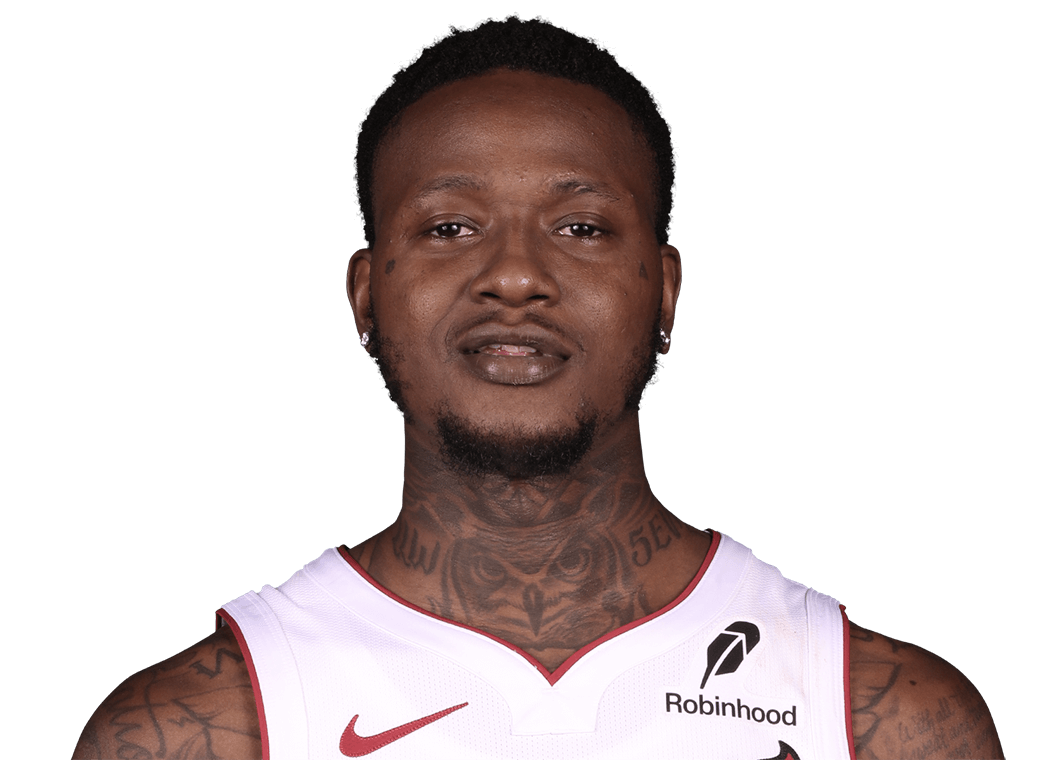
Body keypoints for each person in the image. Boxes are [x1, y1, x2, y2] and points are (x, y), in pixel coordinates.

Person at [73, 16, 1003, 760]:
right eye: (449, 228)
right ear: (366, 296)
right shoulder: (200, 728)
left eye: (581, 228)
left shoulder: (883, 719)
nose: (514, 276)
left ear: (665, 292)